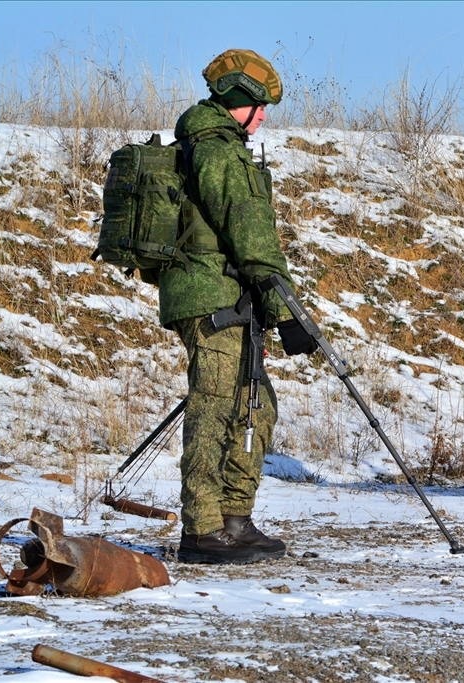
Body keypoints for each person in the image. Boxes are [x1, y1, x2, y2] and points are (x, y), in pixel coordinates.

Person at [161, 49, 317, 563]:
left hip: (228, 295)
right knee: (215, 406)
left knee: (257, 406)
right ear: (238, 103)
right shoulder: (217, 149)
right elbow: (250, 234)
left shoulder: (213, 144)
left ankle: (233, 518)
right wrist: (288, 309)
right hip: (210, 295)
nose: (265, 116)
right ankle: (202, 531)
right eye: (260, 105)